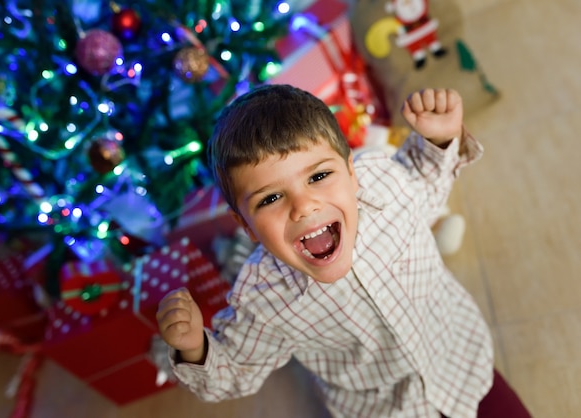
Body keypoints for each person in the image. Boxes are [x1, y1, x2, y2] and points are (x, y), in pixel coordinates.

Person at [157, 85, 531, 417]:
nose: (304, 206)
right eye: (271, 198)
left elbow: (426, 181)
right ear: (246, 227)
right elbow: (234, 370)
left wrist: (440, 138)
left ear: (353, 173)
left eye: (319, 176)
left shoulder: (384, 186)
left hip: (457, 360)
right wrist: (193, 347)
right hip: (381, 409)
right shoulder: (264, 297)